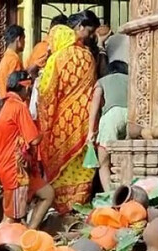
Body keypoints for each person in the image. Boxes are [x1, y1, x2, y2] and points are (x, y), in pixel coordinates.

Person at [37, 14, 98, 214]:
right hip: (84, 121)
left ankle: (61, 206)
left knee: (61, 166)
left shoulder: (56, 59)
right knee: (81, 164)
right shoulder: (88, 56)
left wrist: (46, 122)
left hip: (60, 125)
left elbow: (47, 94)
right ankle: (79, 203)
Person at [0, 71, 54, 229]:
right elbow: (34, 139)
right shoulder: (18, 107)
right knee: (11, 220)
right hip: (15, 171)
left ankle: (30, 235)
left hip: (8, 168)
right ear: (24, 88)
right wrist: (46, 128)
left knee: (47, 194)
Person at [87, 60, 129, 192]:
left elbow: (95, 105)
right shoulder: (132, 79)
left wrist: (90, 131)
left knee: (103, 162)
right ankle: (127, 191)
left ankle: (110, 195)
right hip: (131, 117)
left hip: (111, 116)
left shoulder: (102, 81)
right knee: (127, 159)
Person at [0, 25, 26, 99]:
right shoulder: (14, 60)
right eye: (24, 39)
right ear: (18, 39)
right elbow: (17, 87)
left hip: (4, 102)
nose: (24, 42)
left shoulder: (5, 59)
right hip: (13, 102)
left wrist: (3, 93)